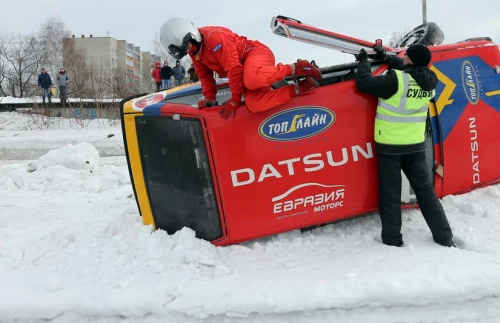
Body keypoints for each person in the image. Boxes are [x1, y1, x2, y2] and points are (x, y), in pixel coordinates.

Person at [355, 43, 455, 248]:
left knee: (390, 194)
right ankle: (444, 237)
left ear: (410, 59)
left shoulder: (396, 79)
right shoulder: (430, 80)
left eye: (406, 56)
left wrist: (364, 62)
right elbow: (408, 70)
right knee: (426, 192)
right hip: (415, 145)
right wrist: (388, 58)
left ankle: (392, 240)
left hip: (390, 146)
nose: (404, 58)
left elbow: (364, 83)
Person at [158, 17, 322, 119]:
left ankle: (297, 68)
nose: (188, 53)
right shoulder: (196, 53)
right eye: (185, 51)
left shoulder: (215, 39)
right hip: (246, 72)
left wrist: (235, 100)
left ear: (191, 36)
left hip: (255, 53)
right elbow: (205, 77)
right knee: (254, 105)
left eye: (187, 48)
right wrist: (209, 98)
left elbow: (234, 69)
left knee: (252, 80)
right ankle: (300, 88)